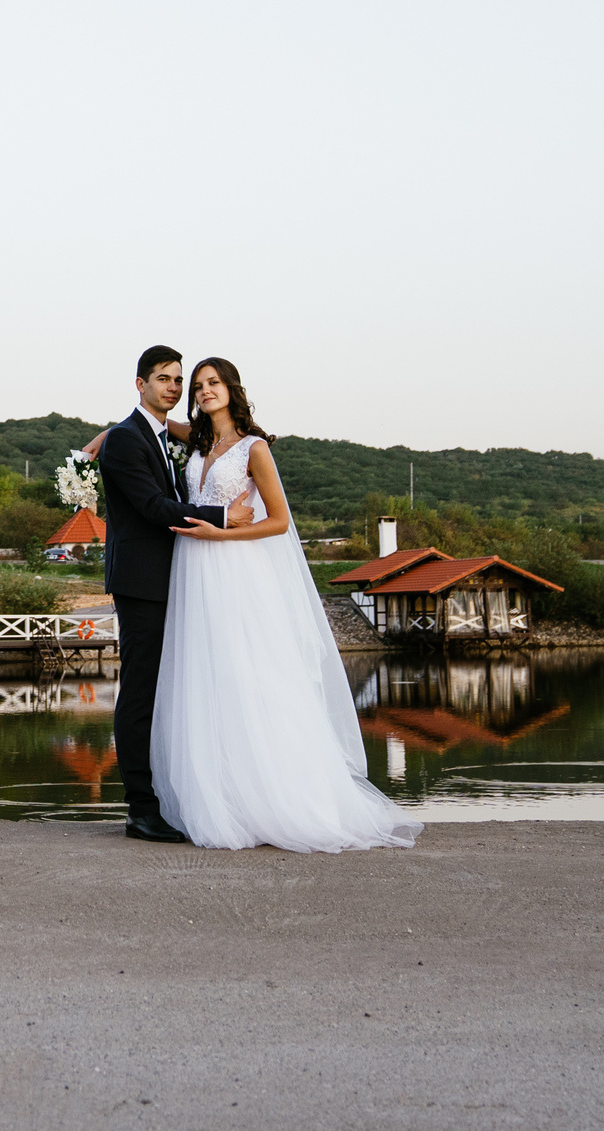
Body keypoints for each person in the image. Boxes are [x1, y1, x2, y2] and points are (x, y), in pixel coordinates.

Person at [152, 357, 420, 852]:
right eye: (198, 385)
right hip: (195, 572)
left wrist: (220, 532)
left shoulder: (254, 448)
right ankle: (225, 801)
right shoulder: (197, 442)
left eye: (213, 383)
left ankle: (284, 801)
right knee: (209, 679)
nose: (205, 390)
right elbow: (154, 420)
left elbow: (278, 521)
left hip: (234, 570)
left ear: (232, 388)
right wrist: (105, 438)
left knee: (252, 676)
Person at [90, 345, 241, 842]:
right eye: (164, 378)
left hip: (170, 580)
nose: (174, 388)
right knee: (139, 693)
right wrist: (222, 518)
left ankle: (171, 796)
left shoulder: (156, 436)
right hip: (140, 583)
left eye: (180, 380)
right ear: (140, 384)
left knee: (167, 691)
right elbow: (155, 507)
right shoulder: (127, 440)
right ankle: (140, 808)